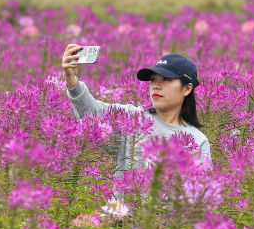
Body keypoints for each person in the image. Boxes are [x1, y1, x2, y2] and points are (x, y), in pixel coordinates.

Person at [61, 46, 211, 177]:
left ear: (186, 88)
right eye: (153, 79)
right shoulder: (132, 118)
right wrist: (71, 78)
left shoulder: (197, 141)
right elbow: (90, 113)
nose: (156, 85)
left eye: (166, 79)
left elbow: (199, 193)